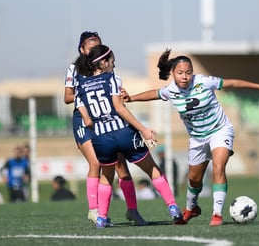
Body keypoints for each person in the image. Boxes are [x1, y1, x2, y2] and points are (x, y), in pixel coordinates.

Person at [126, 48, 259, 226]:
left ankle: (217, 214)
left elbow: (231, 83)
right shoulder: (170, 91)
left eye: (188, 72)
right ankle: (191, 208)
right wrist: (131, 98)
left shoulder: (204, 82)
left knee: (218, 167)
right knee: (194, 179)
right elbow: (154, 93)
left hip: (220, 130)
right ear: (173, 74)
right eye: (180, 73)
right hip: (197, 139)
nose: (185, 76)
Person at [75, 44, 185, 228]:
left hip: (101, 138)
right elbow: (119, 108)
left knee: (107, 177)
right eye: (112, 62)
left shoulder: (81, 85)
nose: (113, 65)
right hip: (124, 133)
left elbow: (86, 120)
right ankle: (173, 208)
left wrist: (101, 125)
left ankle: (101, 218)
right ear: (102, 62)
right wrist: (143, 129)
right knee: (152, 170)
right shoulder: (112, 78)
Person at [64, 31, 146, 226]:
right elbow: (67, 97)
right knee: (96, 163)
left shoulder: (106, 68)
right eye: (90, 48)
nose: (94, 51)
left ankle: (133, 210)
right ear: (82, 49)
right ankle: (94, 211)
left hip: (108, 119)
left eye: (97, 47)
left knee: (121, 166)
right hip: (84, 120)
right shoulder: (75, 69)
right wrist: (84, 99)